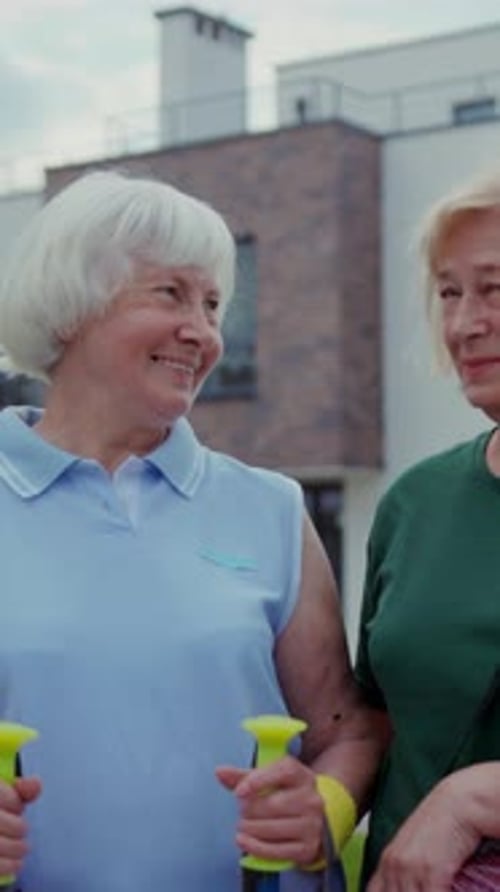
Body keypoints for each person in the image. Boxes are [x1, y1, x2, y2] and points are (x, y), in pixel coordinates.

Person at [0, 169, 388, 892]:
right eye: (170, 294)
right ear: (67, 309)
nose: (203, 332)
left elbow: (350, 730)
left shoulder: (270, 507)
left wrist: (323, 815)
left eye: (213, 305)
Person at [356, 166, 500, 892]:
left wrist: (474, 798)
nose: (464, 323)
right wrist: (308, 798)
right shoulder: (414, 500)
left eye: (493, 288)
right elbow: (376, 723)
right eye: (450, 293)